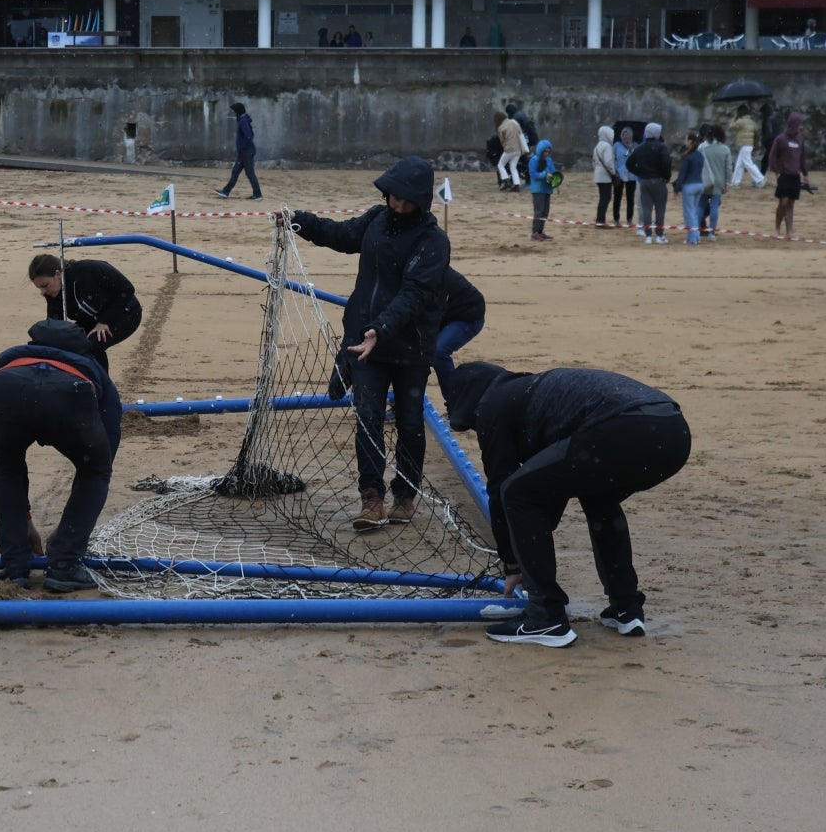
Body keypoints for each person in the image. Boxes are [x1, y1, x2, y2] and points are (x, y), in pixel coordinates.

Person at [445, 361, 691, 647]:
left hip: (623, 426)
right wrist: (529, 538)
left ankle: (545, 616)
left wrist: (512, 562)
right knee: (599, 497)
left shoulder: (492, 404)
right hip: (672, 431)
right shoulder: (531, 394)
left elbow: (502, 487)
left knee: (517, 492)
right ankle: (626, 607)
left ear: (467, 400)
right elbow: (553, 486)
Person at [286, 156, 449, 529]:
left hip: (410, 346)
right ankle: (371, 498)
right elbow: (342, 236)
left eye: (404, 199)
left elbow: (415, 293)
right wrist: (302, 222)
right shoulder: (376, 219)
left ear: (421, 201)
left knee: (409, 423)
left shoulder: (433, 241)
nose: (396, 204)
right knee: (368, 419)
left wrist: (382, 327)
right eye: (392, 195)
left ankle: (405, 496)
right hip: (365, 344)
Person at [0, 319, 122, 592]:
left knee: (7, 468)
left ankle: (15, 569)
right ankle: (64, 566)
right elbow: (110, 440)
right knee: (95, 471)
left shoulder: (15, 354)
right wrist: (69, 532)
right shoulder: (92, 367)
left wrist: (26, 522)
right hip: (70, 394)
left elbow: (3, 386)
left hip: (6, 387)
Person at [28, 253, 143, 371]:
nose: (43, 292)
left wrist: (105, 321)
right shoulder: (52, 293)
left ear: (58, 274)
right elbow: (55, 324)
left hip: (124, 313)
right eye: (40, 288)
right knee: (68, 344)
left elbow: (127, 289)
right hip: (91, 320)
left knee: (91, 346)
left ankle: (100, 385)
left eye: (45, 286)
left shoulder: (88, 269)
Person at [433, 268, 487, 405]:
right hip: (443, 315)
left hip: (467, 316)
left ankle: (455, 405)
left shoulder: (430, 268)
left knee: (438, 352)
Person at [767, 112, 811, 239]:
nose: (801, 127)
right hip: (784, 175)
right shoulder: (780, 139)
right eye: (799, 124)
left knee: (791, 203)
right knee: (783, 202)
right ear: (794, 124)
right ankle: (776, 228)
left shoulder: (800, 140)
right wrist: (777, 172)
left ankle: (789, 231)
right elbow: (772, 157)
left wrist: (805, 174)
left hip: (795, 176)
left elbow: (802, 158)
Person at [627, 122, 672, 244]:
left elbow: (629, 163)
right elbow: (666, 163)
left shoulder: (640, 147)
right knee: (660, 209)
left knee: (646, 208)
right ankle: (659, 235)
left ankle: (648, 236)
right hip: (658, 180)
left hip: (645, 181)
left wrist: (640, 173)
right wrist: (666, 176)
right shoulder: (661, 147)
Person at [214, 102, 262, 201]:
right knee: (235, 171)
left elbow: (249, 136)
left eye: (234, 111)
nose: (233, 113)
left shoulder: (243, 121)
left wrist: (242, 147)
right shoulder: (242, 120)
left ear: (238, 112)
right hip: (243, 152)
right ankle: (226, 191)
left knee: (250, 173)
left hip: (246, 152)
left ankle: (257, 194)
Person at [699, 124, 733, 241]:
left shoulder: (701, 147)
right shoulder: (725, 149)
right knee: (714, 206)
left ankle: (698, 229)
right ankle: (712, 232)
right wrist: (728, 183)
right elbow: (728, 168)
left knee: (701, 205)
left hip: (704, 180)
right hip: (719, 181)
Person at [672, 130, 705, 245]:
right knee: (694, 212)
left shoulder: (687, 156)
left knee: (689, 213)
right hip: (700, 184)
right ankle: (696, 236)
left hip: (689, 186)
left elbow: (682, 175)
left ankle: (692, 238)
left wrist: (676, 188)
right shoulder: (700, 155)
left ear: (690, 141)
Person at [728, 104, 767, 188]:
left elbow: (731, 126)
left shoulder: (741, 121)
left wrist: (735, 116)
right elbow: (756, 132)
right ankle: (735, 182)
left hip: (744, 144)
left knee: (747, 163)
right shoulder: (752, 122)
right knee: (739, 164)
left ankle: (760, 179)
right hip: (749, 144)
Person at [527, 139, 558, 241]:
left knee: (545, 211)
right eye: (545, 151)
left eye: (548, 151)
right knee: (539, 211)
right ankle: (535, 232)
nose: (547, 153)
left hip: (547, 189)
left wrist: (556, 178)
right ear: (540, 150)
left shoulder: (549, 160)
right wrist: (544, 175)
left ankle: (540, 231)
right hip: (538, 190)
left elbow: (553, 171)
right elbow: (533, 174)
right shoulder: (534, 160)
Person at [611, 126, 638, 228]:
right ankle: (616, 219)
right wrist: (614, 171)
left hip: (631, 175)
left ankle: (629, 219)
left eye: (628, 134)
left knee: (630, 198)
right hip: (619, 174)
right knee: (617, 197)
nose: (626, 136)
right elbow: (613, 158)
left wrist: (632, 149)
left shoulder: (635, 145)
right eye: (624, 134)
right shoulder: (617, 145)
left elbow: (638, 158)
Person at [592, 125, 617, 227]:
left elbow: (593, 162)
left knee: (602, 197)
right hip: (605, 176)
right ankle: (601, 220)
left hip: (598, 174)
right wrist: (614, 173)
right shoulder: (607, 146)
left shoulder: (597, 146)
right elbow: (608, 162)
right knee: (606, 198)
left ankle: (600, 219)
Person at [495, 110, 525, 192]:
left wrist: (505, 147)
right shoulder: (514, 123)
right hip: (518, 149)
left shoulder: (501, 128)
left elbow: (502, 141)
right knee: (513, 167)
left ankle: (506, 180)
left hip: (509, 149)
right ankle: (516, 185)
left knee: (500, 165)